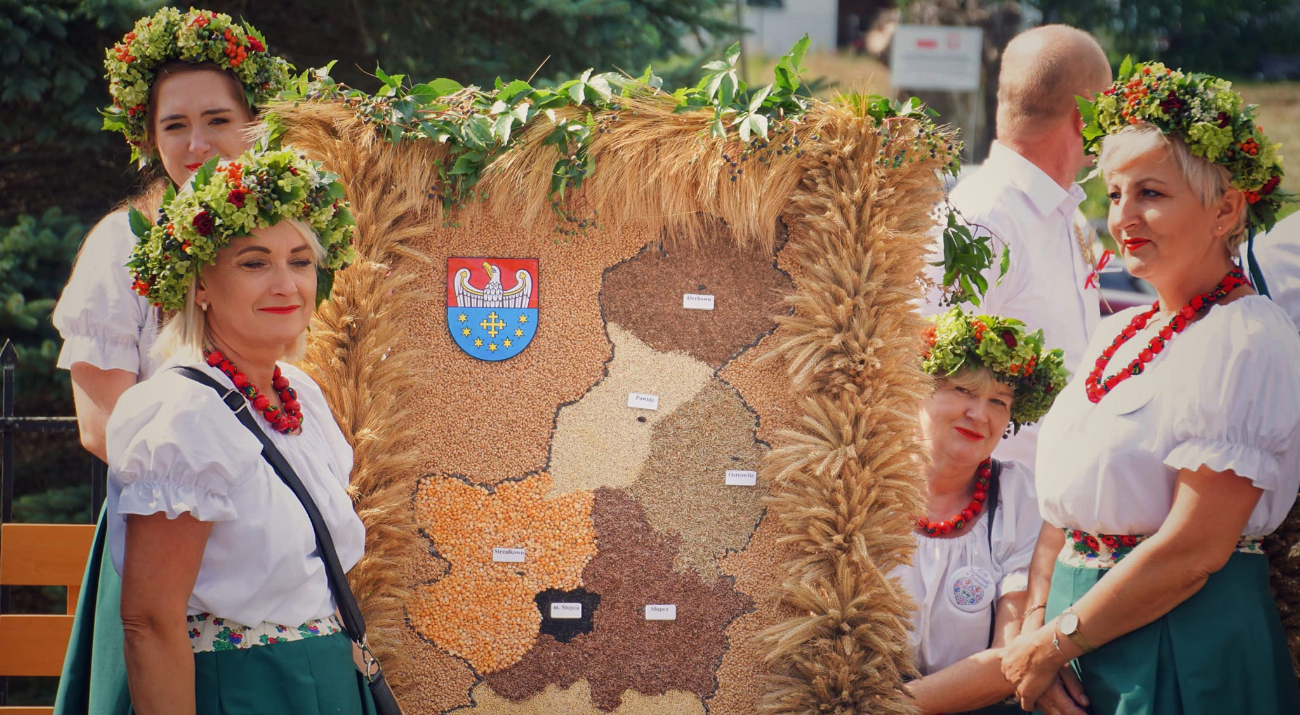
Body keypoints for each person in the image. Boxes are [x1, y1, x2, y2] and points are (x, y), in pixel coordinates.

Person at [1002, 60, 1300, 714]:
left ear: (1226, 208)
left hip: (1184, 639)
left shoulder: (1246, 339)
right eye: (1113, 193)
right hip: (1075, 646)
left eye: (1152, 194)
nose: (1124, 216)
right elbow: (1062, 516)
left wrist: (1055, 639)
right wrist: (1034, 631)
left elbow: (1195, 548)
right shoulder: (1118, 334)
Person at [51, 8, 290, 712]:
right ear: (148, 137)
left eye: (217, 119)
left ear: (255, 124)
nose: (196, 145)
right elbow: (101, 428)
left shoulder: (286, 247)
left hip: (268, 542)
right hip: (166, 533)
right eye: (174, 125)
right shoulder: (120, 245)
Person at [104, 145, 364, 713]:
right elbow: (149, 621)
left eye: (300, 261)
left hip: (327, 686)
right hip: (245, 691)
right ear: (199, 284)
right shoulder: (182, 413)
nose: (286, 285)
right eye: (254, 262)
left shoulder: (302, 396)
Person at [923, 24, 1112, 468]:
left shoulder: (1074, 220)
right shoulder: (981, 218)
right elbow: (928, 384)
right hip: (993, 519)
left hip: (1051, 511)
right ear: (1086, 117)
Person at [902, 308, 1085, 715]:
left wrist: (882, 709)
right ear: (917, 390)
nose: (980, 415)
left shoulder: (1018, 498)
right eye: (963, 391)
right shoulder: (855, 489)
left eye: (998, 402)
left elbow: (1011, 655)